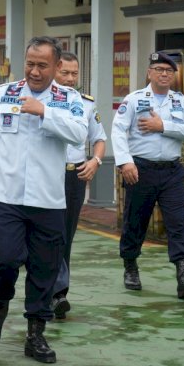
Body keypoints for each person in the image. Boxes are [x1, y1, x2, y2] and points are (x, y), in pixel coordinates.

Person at [0, 36, 88, 364]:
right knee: (4, 258)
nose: (34, 71)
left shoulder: (68, 98)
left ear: (57, 66)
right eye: (30, 64)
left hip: (48, 199)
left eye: (42, 65)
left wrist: (45, 111)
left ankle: (36, 334)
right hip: (7, 196)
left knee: (44, 269)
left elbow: (80, 133)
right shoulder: (5, 94)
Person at [111, 52, 184, 300]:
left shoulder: (181, 101)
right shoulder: (134, 100)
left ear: (174, 75)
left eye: (168, 70)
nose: (164, 74)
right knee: (135, 221)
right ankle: (130, 265)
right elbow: (118, 131)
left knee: (177, 222)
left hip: (171, 171)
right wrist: (125, 162)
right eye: (159, 69)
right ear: (149, 73)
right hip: (141, 170)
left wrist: (163, 126)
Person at [50, 52, 106, 319]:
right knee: (49, 234)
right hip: (46, 175)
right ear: (54, 71)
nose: (71, 79)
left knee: (66, 236)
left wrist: (95, 160)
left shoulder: (85, 104)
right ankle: (52, 290)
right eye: (65, 73)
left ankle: (59, 293)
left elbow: (99, 138)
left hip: (74, 177)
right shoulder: (43, 100)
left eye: (75, 73)